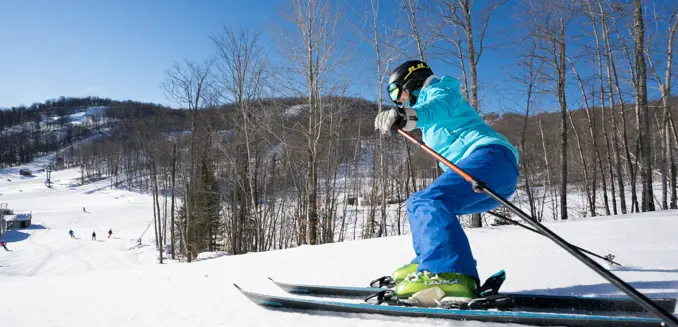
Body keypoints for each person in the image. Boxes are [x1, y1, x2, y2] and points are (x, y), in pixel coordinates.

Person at [374, 60, 519, 307]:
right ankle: (428, 264)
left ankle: (448, 274)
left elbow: (435, 108)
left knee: (428, 201)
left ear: (413, 80)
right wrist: (407, 115)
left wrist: (404, 115)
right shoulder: (427, 101)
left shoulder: (440, 91)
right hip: (490, 168)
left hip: (489, 157)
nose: (399, 100)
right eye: (395, 97)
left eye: (398, 92)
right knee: (420, 203)